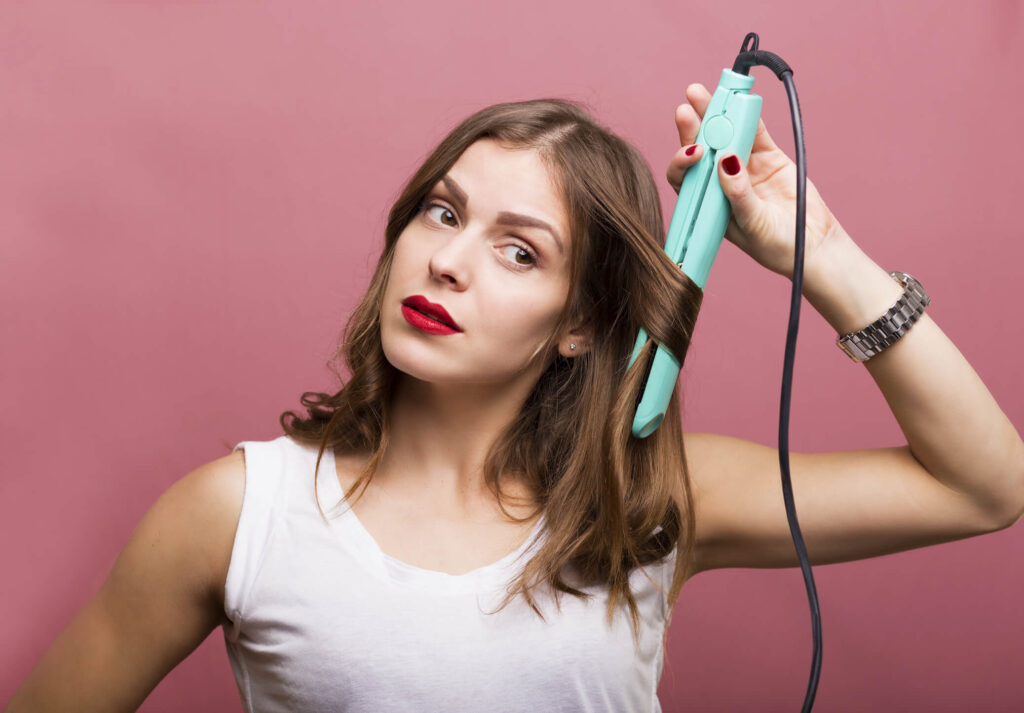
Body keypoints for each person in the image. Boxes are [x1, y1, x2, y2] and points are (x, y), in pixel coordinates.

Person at [7, 83, 1023, 713]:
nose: (448, 260)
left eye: (517, 248)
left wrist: (828, 258)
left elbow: (981, 485)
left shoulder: (651, 496)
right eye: (441, 211)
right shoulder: (239, 511)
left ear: (580, 322)